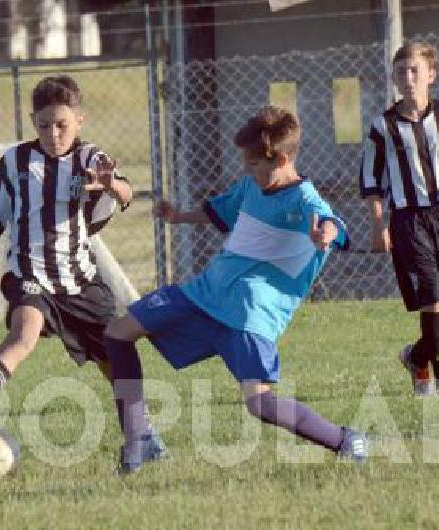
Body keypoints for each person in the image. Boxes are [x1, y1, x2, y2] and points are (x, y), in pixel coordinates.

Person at [103, 105, 369, 474]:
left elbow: (333, 226)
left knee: (259, 405)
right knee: (118, 333)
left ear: (281, 158)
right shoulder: (250, 186)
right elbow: (219, 213)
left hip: (247, 315)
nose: (248, 170)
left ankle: (344, 440)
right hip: (203, 294)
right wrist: (178, 217)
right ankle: (139, 440)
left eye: (255, 164)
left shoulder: (304, 200)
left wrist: (325, 234)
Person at [0, 75, 167, 460]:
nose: (53, 134)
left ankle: (142, 439)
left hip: (80, 280)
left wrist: (109, 184)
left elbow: (124, 192)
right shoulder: (14, 162)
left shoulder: (91, 158)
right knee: (24, 335)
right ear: (32, 120)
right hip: (29, 274)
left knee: (115, 355)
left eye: (62, 125)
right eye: (43, 125)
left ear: (79, 121)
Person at [359, 42, 439, 397]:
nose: (408, 77)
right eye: (401, 71)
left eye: (415, 70)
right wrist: (378, 223)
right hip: (408, 220)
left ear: (431, 74)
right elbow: (370, 183)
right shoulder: (382, 126)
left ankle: (417, 357)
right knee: (432, 298)